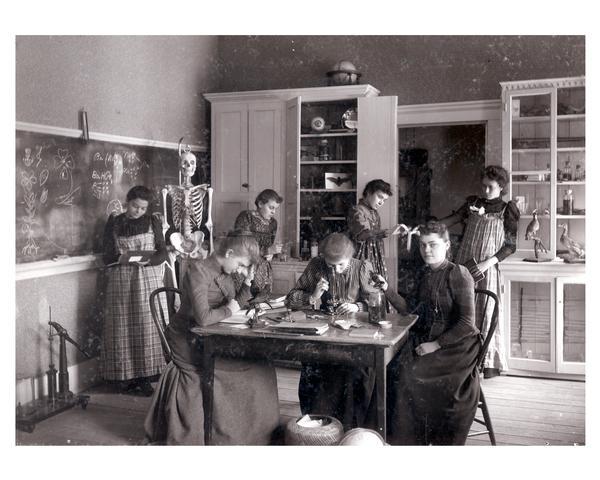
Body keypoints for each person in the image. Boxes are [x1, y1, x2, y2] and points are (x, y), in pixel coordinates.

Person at [143, 231, 280, 445]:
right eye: (241, 264)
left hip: (211, 337)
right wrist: (230, 308)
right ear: (230, 252)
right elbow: (204, 318)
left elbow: (235, 304)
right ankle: (226, 435)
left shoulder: (224, 272)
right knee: (249, 369)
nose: (241, 270)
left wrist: (247, 283)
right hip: (186, 340)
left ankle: (252, 434)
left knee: (261, 365)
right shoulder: (198, 270)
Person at [382, 221, 480, 445]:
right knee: (392, 369)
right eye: (423, 245)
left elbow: (466, 323)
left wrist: (436, 345)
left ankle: (415, 440)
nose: (427, 250)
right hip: (429, 339)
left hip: (457, 346)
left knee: (408, 375)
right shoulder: (425, 274)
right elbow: (409, 309)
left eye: (433, 245)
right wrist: (385, 288)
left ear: (446, 245)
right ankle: (402, 440)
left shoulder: (459, 274)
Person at [286, 232, 379, 428]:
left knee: (354, 374)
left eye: (341, 266)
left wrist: (358, 307)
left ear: (350, 258)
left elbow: (379, 303)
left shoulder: (362, 267)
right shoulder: (317, 265)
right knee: (315, 370)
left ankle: (350, 427)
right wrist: (313, 295)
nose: (335, 271)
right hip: (325, 334)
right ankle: (318, 425)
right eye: (331, 266)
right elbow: (291, 298)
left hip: (355, 337)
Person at [441, 164, 519, 378]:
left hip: (487, 269)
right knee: (460, 310)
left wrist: (488, 262)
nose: (485, 191)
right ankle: (458, 360)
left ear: (501, 187)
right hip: (464, 265)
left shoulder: (507, 210)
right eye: (483, 186)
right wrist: (432, 227)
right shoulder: (472, 203)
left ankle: (481, 364)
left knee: (483, 311)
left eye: (490, 187)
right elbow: (453, 220)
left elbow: (511, 246)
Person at [100, 185, 168, 396]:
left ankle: (146, 377)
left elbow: (163, 253)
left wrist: (145, 260)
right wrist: (122, 258)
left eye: (142, 208)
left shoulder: (153, 222)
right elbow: (107, 255)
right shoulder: (115, 222)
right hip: (122, 281)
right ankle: (126, 376)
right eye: (134, 206)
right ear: (127, 202)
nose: (137, 211)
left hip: (148, 279)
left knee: (147, 327)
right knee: (123, 327)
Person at [347, 179, 405, 280]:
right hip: (361, 257)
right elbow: (362, 234)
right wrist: (387, 232)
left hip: (375, 257)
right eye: (380, 197)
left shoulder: (374, 212)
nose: (381, 202)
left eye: (384, 200)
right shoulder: (357, 210)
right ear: (369, 193)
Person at [233, 189, 283, 300]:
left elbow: (269, 245)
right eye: (271, 207)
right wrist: (267, 251)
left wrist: (271, 254)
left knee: (261, 304)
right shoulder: (246, 217)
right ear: (260, 204)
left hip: (263, 270)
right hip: (244, 268)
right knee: (242, 301)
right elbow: (241, 245)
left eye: (276, 209)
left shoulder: (273, 223)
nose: (274, 212)